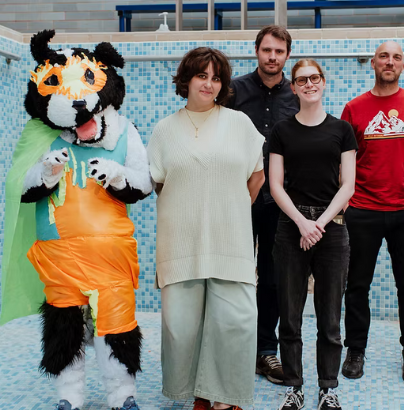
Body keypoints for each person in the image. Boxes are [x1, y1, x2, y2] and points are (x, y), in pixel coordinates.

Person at [146, 47, 266, 410]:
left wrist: (229, 209)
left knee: (237, 321)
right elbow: (159, 182)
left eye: (216, 78)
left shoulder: (239, 123)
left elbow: (257, 176)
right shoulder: (164, 130)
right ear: (186, 79)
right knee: (182, 326)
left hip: (230, 239)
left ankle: (225, 399)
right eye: (202, 75)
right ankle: (200, 392)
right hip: (181, 240)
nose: (209, 84)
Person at [340, 41, 404, 383]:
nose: (390, 62)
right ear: (373, 63)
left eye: (396, 57)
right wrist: (347, 201)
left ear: (403, 66)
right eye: (384, 56)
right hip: (362, 210)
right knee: (357, 285)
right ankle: (355, 349)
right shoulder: (354, 108)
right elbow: (345, 160)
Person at [269, 59, 357, 410]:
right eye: (301, 79)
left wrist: (318, 223)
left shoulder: (342, 130)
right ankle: (294, 387)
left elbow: (348, 185)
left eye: (314, 78)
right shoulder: (282, 131)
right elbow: (276, 185)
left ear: (323, 82)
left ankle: (327, 389)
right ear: (293, 87)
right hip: (291, 228)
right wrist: (302, 223)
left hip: (331, 229)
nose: (309, 84)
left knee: (330, 318)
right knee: (290, 317)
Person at [227, 25, 300, 385]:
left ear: (287, 55)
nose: (272, 57)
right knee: (233, 275)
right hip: (237, 197)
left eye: (279, 51)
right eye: (267, 50)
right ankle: (233, 348)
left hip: (279, 202)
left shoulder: (296, 94)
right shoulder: (232, 91)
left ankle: (265, 351)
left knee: (272, 278)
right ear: (256, 50)